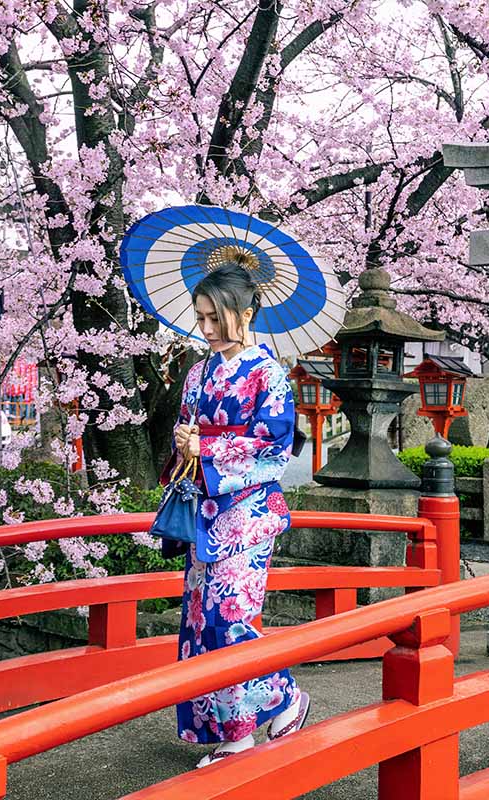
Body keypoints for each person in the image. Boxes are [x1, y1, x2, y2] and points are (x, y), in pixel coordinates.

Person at [169, 263, 311, 769]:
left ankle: (261, 717)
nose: (205, 329)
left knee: (231, 619)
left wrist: (205, 446)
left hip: (247, 515)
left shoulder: (268, 374)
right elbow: (185, 433)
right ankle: (246, 720)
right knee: (200, 622)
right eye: (200, 316)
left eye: (215, 318)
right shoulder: (198, 371)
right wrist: (185, 441)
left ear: (247, 313)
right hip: (204, 514)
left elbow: (275, 449)